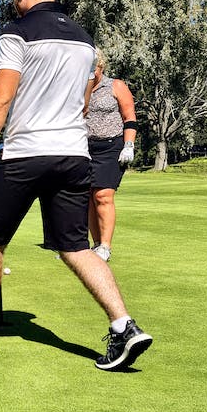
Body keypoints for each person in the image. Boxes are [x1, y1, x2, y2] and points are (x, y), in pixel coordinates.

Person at [0, 0, 151, 370]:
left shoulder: (16, 33)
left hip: (27, 152)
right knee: (76, 246)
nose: (13, 0)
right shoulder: (84, 40)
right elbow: (81, 103)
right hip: (73, 154)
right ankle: (124, 326)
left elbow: (1, 97)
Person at [85, 49, 137, 262]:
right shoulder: (80, 88)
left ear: (101, 66)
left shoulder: (116, 86)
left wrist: (129, 145)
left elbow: (129, 117)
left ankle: (105, 246)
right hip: (85, 147)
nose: (90, 72)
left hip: (111, 147)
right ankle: (95, 245)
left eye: (93, 67)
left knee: (103, 196)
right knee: (88, 198)